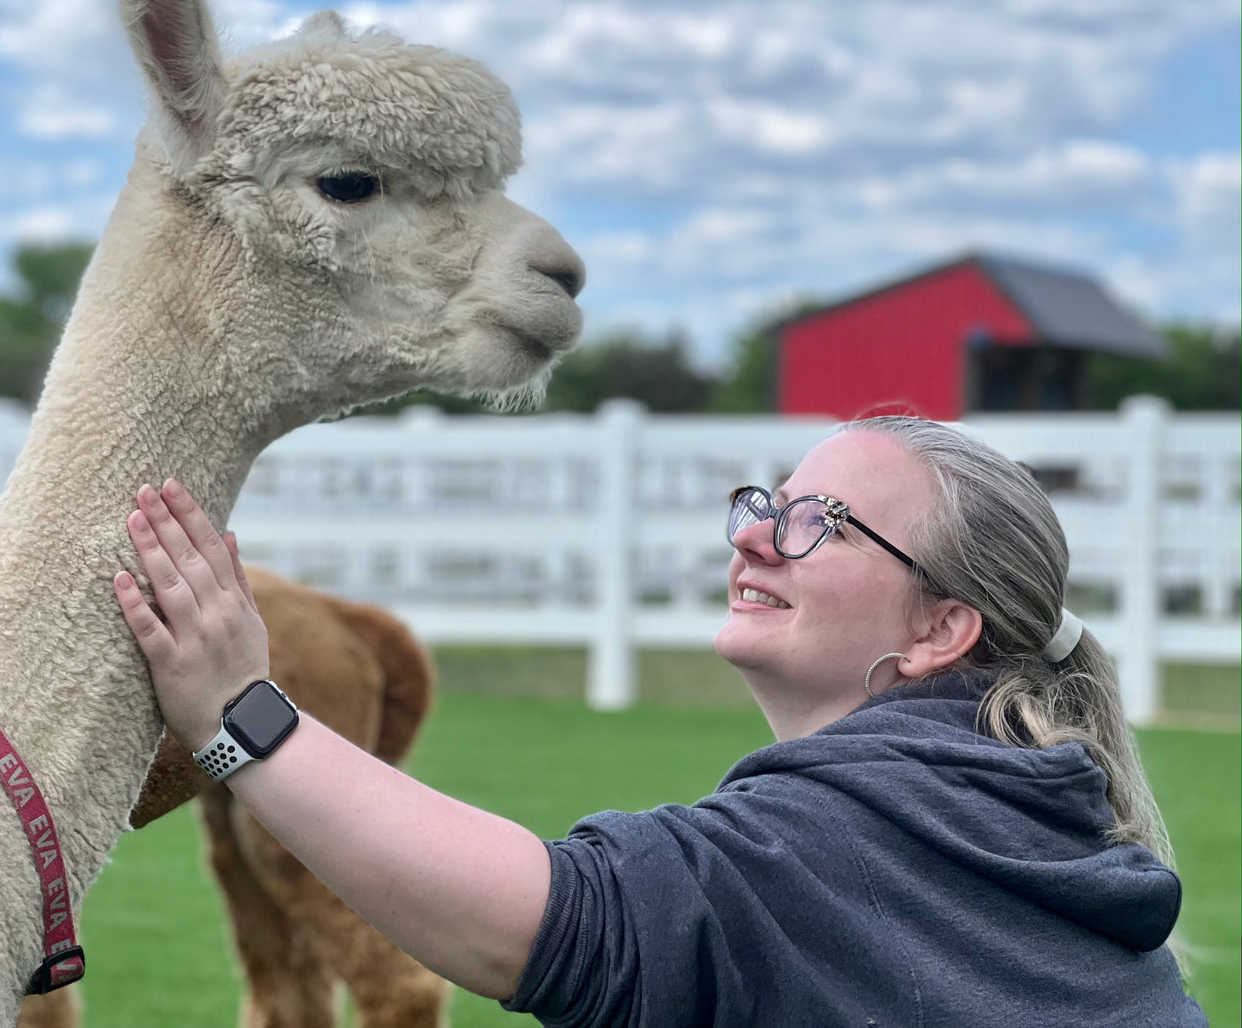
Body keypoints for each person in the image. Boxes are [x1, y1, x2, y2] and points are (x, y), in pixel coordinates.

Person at [113, 415, 1206, 1027]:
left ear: (941, 629)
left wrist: (240, 717)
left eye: (820, 524)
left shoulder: (850, 840)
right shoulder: (1024, 813)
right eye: (765, 506)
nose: (755, 539)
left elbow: (544, 923)